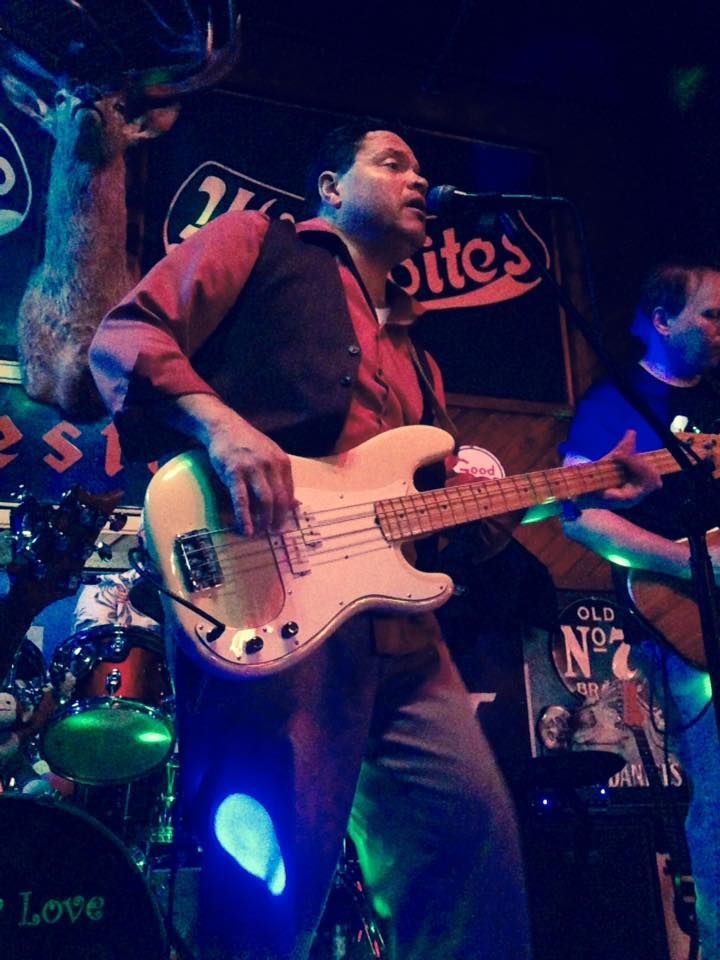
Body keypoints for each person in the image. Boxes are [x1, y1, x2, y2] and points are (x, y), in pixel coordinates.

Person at [89, 119, 658, 960]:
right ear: (329, 189)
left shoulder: (418, 360)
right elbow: (124, 338)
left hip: (402, 634)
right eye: (392, 163)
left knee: (470, 862)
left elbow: (446, 508)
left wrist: (600, 479)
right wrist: (221, 427)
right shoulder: (258, 245)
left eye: (422, 168)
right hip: (271, 599)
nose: (418, 179)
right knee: (269, 894)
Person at [562, 260, 720, 959]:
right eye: (711, 314)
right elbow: (582, 518)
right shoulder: (613, 403)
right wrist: (687, 561)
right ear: (663, 321)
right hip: (686, 622)